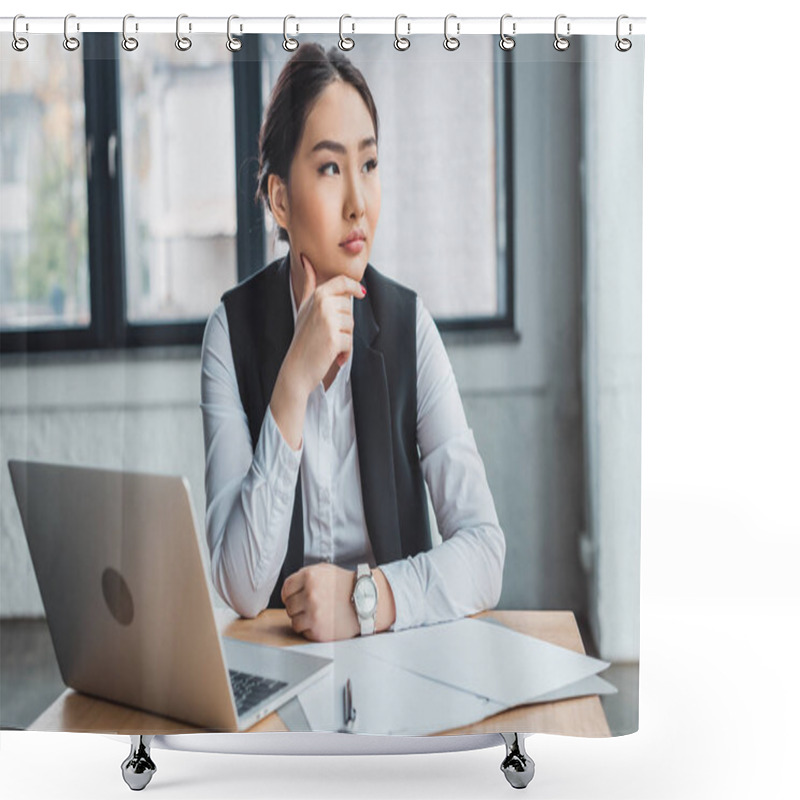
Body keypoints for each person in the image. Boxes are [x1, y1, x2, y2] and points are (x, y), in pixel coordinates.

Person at [200, 42, 505, 643]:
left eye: (368, 165)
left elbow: (485, 551)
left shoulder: (408, 325)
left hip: (400, 657)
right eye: (330, 168)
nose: (358, 204)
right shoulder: (229, 332)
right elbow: (240, 587)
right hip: (280, 670)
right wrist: (292, 383)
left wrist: (368, 599)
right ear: (280, 199)